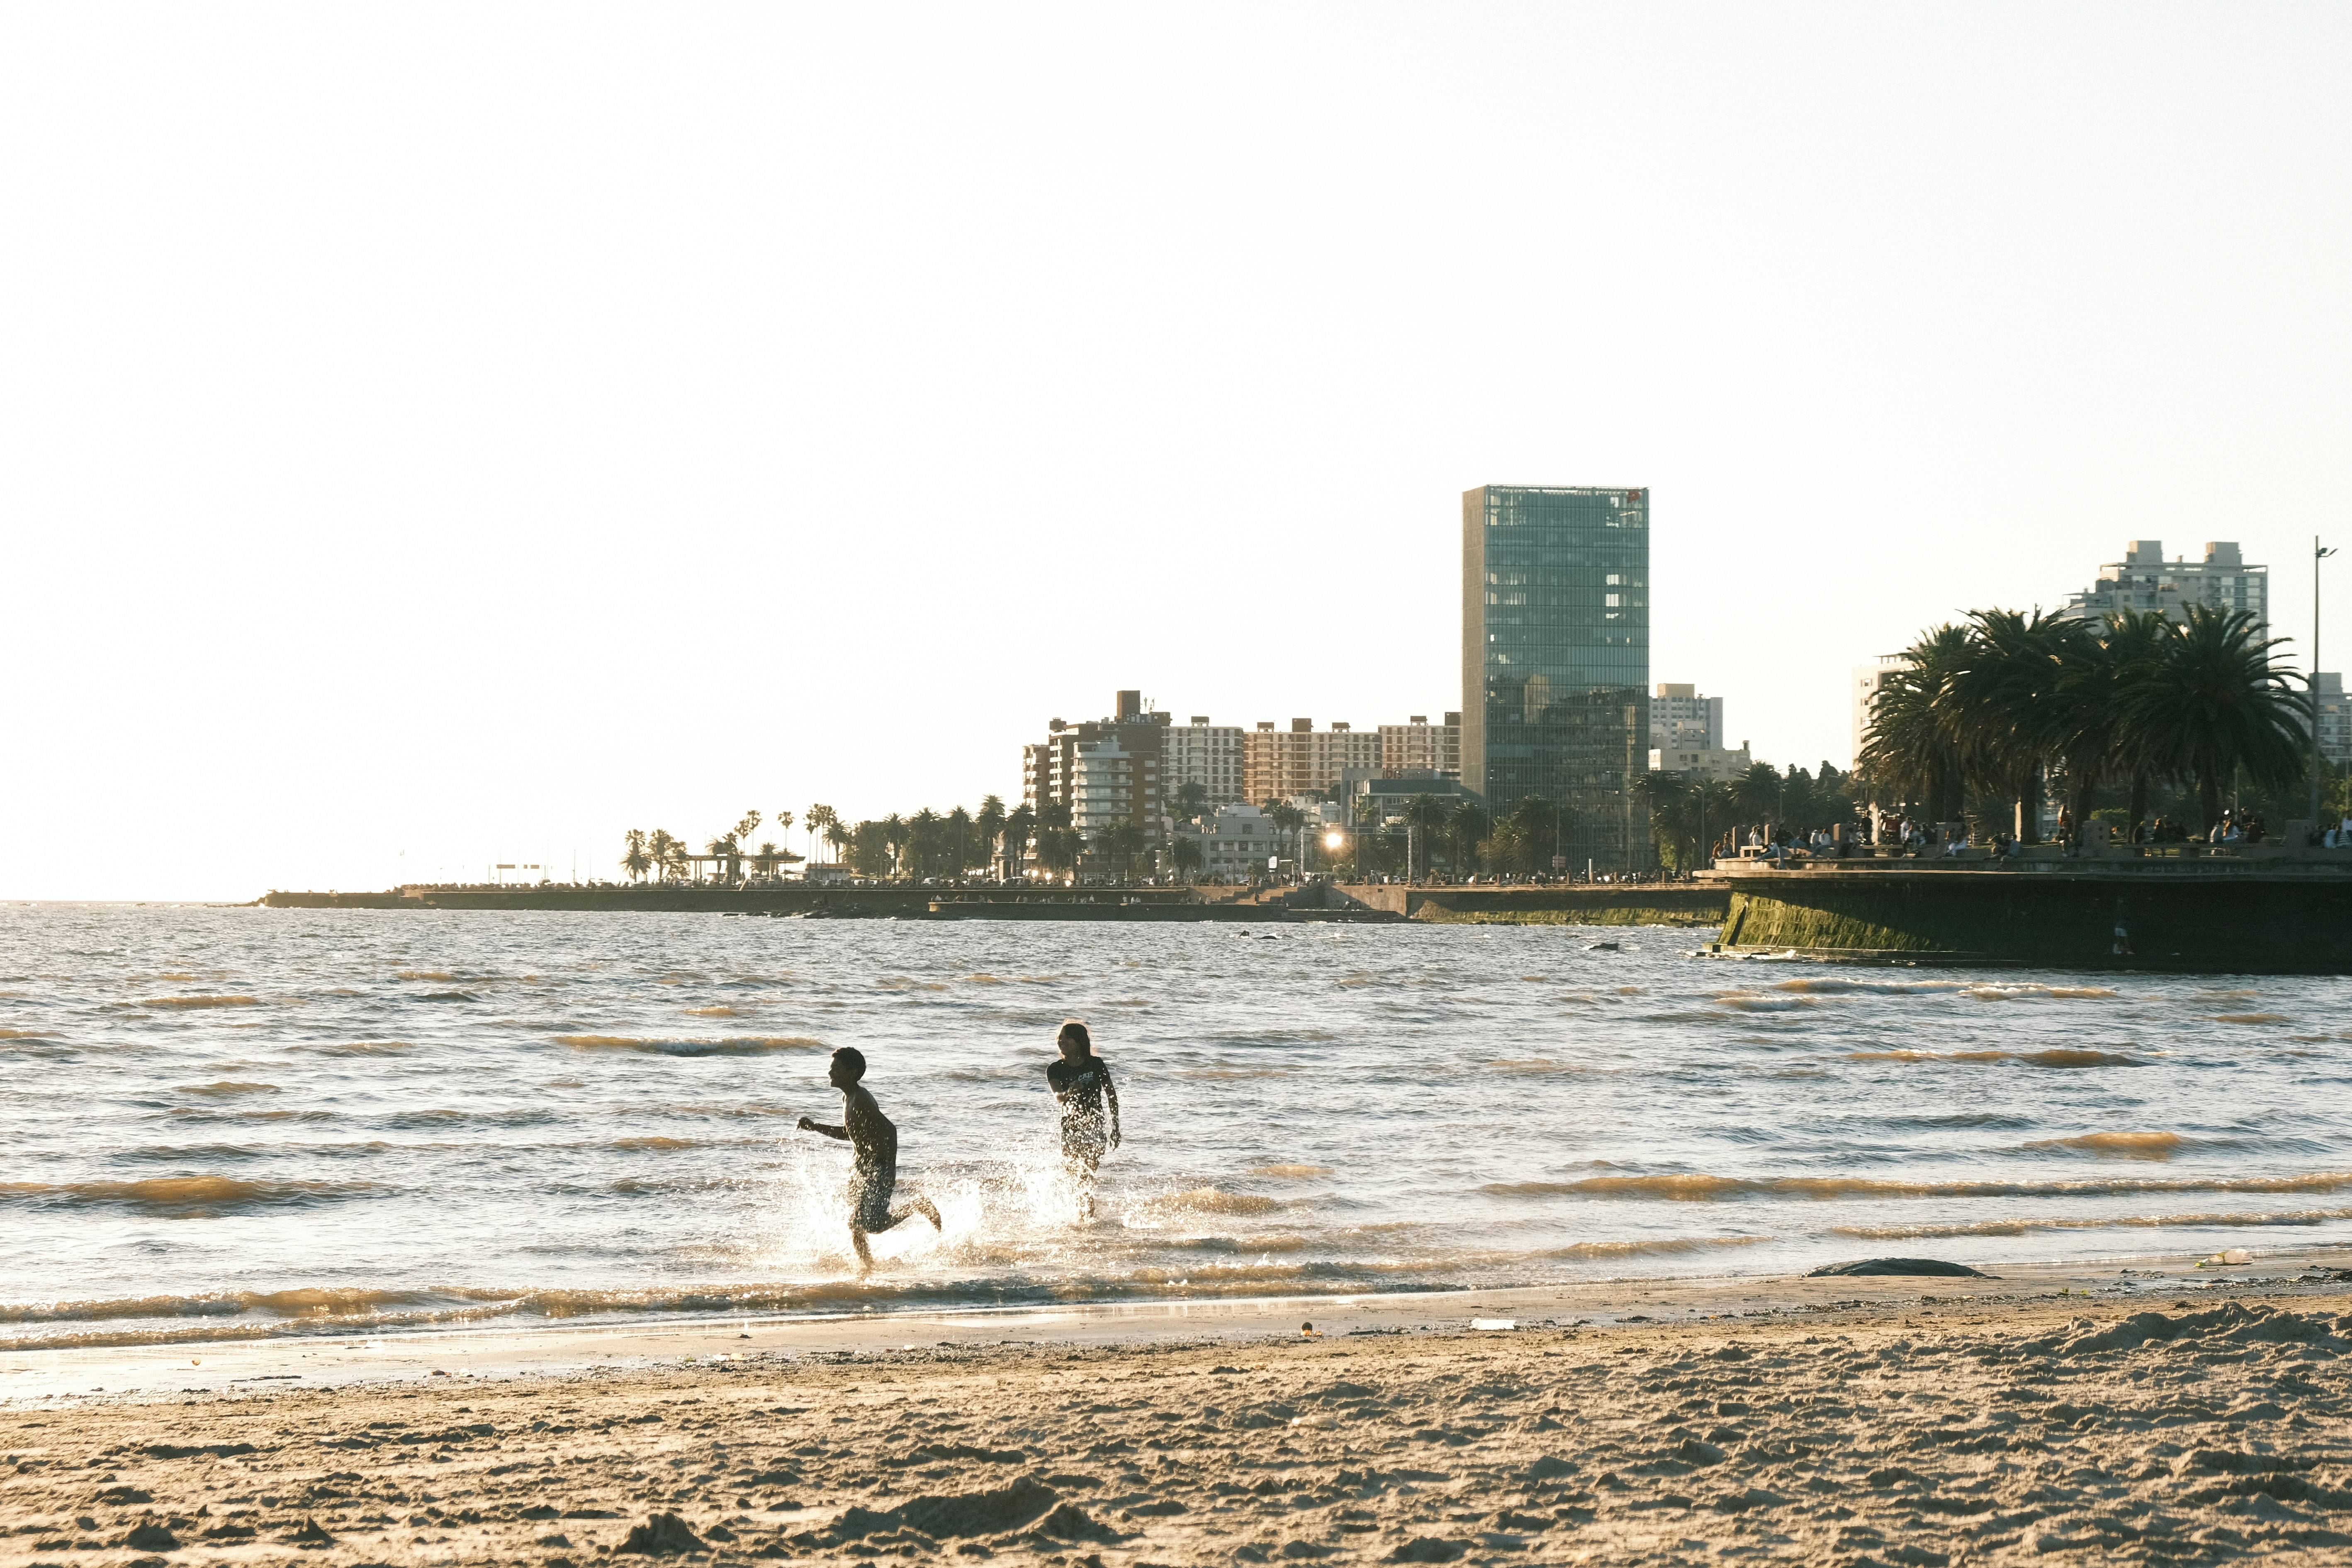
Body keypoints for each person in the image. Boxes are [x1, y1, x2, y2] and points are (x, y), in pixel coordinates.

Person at [797, 1046, 940, 1271]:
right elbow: (849, 1133)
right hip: (861, 1169)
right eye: (831, 1067)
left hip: (877, 1169)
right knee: (856, 1225)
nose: (830, 1073)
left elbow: (890, 1130)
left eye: (836, 1068)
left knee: (872, 1225)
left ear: (852, 1073)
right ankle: (868, 1268)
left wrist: (885, 1167)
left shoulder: (861, 1098)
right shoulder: (848, 1098)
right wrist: (815, 1127)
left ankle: (917, 1205)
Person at [1048, 1020, 1121, 1220]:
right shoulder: (1055, 1069)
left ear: (1079, 1041)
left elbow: (1111, 1095)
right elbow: (1059, 1097)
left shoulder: (1095, 1064)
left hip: (1095, 1128)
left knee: (1085, 1178)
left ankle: (1087, 1220)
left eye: (1066, 1038)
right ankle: (1084, 1220)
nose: (1061, 1041)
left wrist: (1115, 1127)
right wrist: (1069, 1092)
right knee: (1074, 1181)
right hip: (1070, 1130)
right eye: (1059, 1038)